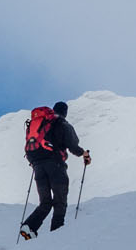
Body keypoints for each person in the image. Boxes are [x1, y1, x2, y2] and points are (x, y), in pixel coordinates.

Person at [20, 100, 90, 239]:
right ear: (65, 112)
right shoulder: (63, 124)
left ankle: (29, 226)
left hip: (38, 166)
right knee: (60, 200)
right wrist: (84, 154)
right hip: (56, 165)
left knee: (45, 202)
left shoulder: (42, 124)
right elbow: (73, 146)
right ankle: (57, 235)